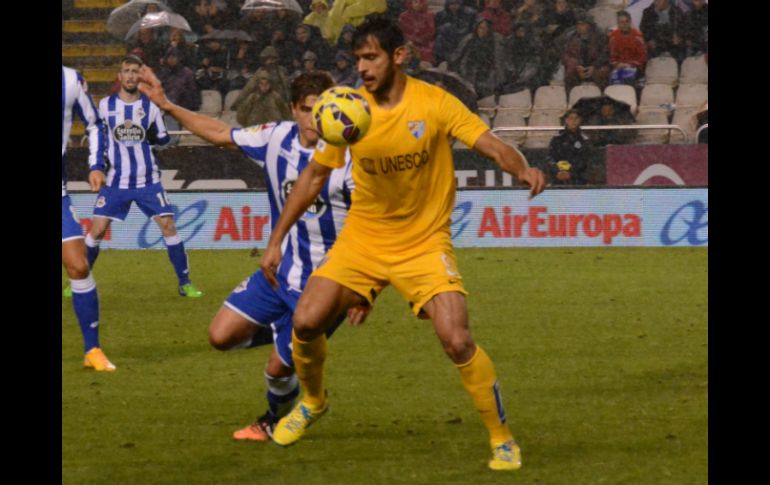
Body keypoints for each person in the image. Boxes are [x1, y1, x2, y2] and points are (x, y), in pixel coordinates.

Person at [258, 16, 545, 471]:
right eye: (358, 59)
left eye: (371, 57)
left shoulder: (434, 102)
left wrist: (522, 168)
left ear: (399, 56)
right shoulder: (349, 110)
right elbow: (314, 176)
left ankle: (502, 438)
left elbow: (488, 143)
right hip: (364, 238)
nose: (362, 68)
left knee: (457, 340)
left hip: (423, 242)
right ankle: (313, 401)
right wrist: (276, 240)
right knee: (306, 321)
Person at [136, 67, 370, 440]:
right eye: (308, 109)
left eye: (323, 110)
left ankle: (272, 419)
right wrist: (167, 105)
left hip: (326, 287)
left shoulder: (352, 159)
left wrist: (364, 289)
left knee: (277, 369)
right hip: (278, 273)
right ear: (293, 109)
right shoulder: (275, 138)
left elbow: (373, 227)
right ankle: (287, 333)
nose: (316, 119)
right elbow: (219, 133)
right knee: (220, 336)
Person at [83, 55, 204, 298]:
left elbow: (163, 138)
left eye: (134, 71)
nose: (130, 75)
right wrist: (96, 166)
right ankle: (79, 280)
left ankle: (185, 283)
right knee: (96, 231)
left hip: (148, 181)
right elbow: (98, 138)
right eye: (126, 71)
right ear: (119, 76)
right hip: (116, 181)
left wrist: (152, 133)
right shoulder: (105, 105)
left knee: (168, 226)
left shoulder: (150, 107)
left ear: (140, 76)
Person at [61, 65, 115, 371]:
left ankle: (92, 349)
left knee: (79, 265)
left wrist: (96, 165)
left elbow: (95, 124)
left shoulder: (70, 80)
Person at [548, 109, 592, 185]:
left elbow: (585, 160)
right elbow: (550, 157)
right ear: (566, 120)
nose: (573, 121)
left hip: (578, 180)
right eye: (571, 118)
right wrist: (557, 171)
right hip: (558, 178)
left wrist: (571, 173)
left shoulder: (584, 140)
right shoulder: (557, 138)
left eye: (576, 118)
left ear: (580, 120)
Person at [607, 10, 647, 86]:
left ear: (630, 22)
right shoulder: (613, 37)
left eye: (626, 21)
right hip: (618, 67)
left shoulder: (637, 36)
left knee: (630, 81)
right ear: (618, 24)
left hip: (635, 67)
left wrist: (630, 65)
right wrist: (618, 64)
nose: (624, 24)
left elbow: (643, 57)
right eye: (621, 22)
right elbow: (612, 56)